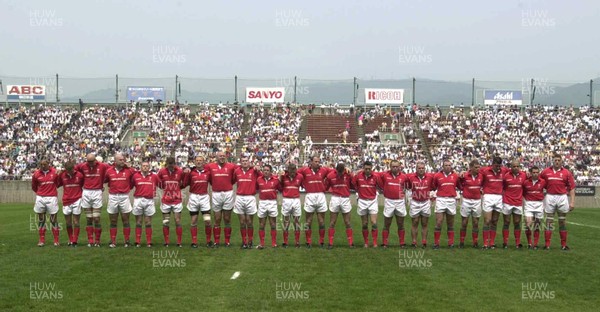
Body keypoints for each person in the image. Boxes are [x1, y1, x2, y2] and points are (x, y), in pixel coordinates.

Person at [540, 154, 576, 250]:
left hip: (562, 197)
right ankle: (547, 245)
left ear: (561, 161)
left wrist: (572, 202)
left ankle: (563, 245)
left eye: (558, 160)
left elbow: (572, 188)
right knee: (549, 221)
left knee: (562, 221)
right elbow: (539, 183)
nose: (557, 162)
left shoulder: (567, 173)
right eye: (555, 160)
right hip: (550, 197)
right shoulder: (545, 172)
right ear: (552, 161)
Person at [75, 153, 110, 247]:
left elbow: (113, 169)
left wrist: (103, 182)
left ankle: (97, 241)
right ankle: (90, 241)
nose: (90, 163)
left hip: (97, 192)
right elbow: (73, 169)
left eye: (92, 161)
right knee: (89, 218)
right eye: (88, 161)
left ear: (95, 160)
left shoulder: (103, 166)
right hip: (86, 192)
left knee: (97, 218)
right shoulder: (82, 166)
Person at [297, 156, 333, 248]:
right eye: (316, 161)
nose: (318, 163)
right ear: (311, 162)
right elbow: (294, 172)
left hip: (321, 196)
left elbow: (334, 172)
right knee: (308, 221)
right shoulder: (304, 170)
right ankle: (308, 241)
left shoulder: (324, 170)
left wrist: (345, 168)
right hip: (310, 196)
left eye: (318, 161)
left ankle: (321, 241)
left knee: (321, 221)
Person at [204, 151, 237, 247]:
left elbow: (234, 179)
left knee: (227, 218)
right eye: (220, 156)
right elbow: (209, 179)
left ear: (226, 157)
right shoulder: (210, 166)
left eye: (223, 156)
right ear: (216, 157)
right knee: (217, 218)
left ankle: (227, 241)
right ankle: (216, 241)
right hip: (216, 193)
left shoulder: (231, 166)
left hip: (228, 193)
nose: (222, 157)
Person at [104, 153, 136, 248]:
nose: (123, 161)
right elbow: (105, 180)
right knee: (113, 220)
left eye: (123, 159)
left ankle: (127, 241)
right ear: (115, 161)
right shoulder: (109, 171)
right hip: (113, 196)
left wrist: (130, 167)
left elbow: (136, 176)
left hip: (124, 197)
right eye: (121, 160)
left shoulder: (129, 170)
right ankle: (113, 241)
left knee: (125, 220)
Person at [377, 160, 409, 248]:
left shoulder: (404, 177)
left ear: (400, 167)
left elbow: (407, 187)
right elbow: (374, 174)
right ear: (390, 167)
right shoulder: (384, 175)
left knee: (400, 223)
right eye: (393, 166)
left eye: (396, 166)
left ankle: (402, 243)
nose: (395, 168)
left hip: (400, 202)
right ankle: (385, 243)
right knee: (387, 223)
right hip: (389, 201)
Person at [480, 156, 508, 249]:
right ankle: (485, 243)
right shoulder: (485, 170)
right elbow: (474, 171)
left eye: (499, 166)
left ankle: (492, 242)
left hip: (499, 197)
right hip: (488, 196)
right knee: (487, 220)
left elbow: (515, 171)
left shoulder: (504, 170)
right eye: (496, 166)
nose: (498, 168)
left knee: (495, 221)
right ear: (492, 164)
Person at [184, 155, 212, 248]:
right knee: (194, 220)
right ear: (195, 162)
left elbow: (213, 182)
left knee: (207, 221)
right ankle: (194, 242)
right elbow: (184, 183)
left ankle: (208, 241)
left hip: (204, 197)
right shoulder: (191, 173)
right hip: (194, 197)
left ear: (203, 162)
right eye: (197, 160)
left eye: (201, 160)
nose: (199, 162)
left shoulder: (208, 173)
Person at [324, 162, 354, 249]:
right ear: (336, 170)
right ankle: (330, 243)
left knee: (347, 222)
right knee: (332, 222)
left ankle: (351, 243)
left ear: (344, 170)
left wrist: (351, 173)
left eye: (341, 172)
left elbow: (353, 184)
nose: (340, 173)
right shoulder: (330, 176)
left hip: (345, 198)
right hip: (335, 198)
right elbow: (325, 187)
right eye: (339, 172)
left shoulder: (348, 174)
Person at [232, 156, 260, 249]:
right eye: (243, 161)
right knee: (242, 222)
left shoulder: (254, 171)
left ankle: (250, 241)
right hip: (239, 197)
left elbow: (261, 176)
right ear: (240, 162)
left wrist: (257, 167)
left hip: (250, 197)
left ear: (249, 162)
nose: (244, 162)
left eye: (246, 161)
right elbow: (232, 180)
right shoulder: (237, 171)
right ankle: (244, 242)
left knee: (249, 222)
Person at [157, 157, 185, 247]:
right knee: (166, 221)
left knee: (177, 221)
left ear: (174, 163)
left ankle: (179, 242)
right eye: (169, 164)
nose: (171, 166)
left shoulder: (180, 171)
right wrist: (165, 188)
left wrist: (177, 189)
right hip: (166, 200)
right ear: (166, 164)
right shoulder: (161, 172)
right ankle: (166, 242)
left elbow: (184, 182)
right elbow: (158, 182)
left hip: (177, 200)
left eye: (172, 164)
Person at [31, 159, 60, 247]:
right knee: (41, 219)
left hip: (52, 197)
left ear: (48, 164)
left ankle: (56, 240)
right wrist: (40, 193)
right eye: (41, 164)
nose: (43, 166)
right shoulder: (36, 174)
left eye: (44, 164)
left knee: (53, 219)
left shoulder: (55, 172)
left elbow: (58, 183)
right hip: (40, 198)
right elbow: (34, 187)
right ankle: (41, 240)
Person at [432, 160, 460, 249]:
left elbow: (459, 186)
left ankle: (450, 243)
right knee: (439, 222)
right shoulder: (437, 175)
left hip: (451, 200)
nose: (448, 167)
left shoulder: (455, 176)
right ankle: (436, 244)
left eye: (449, 165)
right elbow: (434, 186)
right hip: (440, 199)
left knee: (450, 223)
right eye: (446, 165)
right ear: (443, 166)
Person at [131, 161, 160, 247]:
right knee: (138, 222)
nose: (145, 167)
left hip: (149, 200)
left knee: (148, 222)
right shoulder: (135, 176)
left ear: (149, 167)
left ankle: (149, 242)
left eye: (147, 166)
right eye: (143, 166)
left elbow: (160, 184)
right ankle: (137, 241)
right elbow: (131, 185)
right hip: (138, 200)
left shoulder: (154, 176)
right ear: (140, 167)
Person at [406, 161, 434, 248]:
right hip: (415, 202)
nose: (421, 170)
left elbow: (433, 185)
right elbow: (408, 187)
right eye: (419, 168)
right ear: (416, 169)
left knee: (425, 223)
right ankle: (414, 241)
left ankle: (424, 241)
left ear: (425, 169)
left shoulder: (430, 177)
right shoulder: (410, 177)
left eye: (422, 168)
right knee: (415, 222)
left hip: (425, 202)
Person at [353, 161, 380, 248]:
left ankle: (375, 242)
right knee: (364, 223)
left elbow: (381, 185)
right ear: (363, 168)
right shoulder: (358, 176)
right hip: (362, 201)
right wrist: (357, 172)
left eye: (369, 169)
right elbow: (353, 184)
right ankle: (366, 242)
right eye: (366, 169)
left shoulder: (375, 176)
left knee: (373, 222)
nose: (368, 170)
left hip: (372, 201)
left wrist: (377, 192)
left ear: (371, 168)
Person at [57, 160, 84, 246]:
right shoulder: (62, 175)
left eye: (71, 169)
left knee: (76, 222)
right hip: (66, 200)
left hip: (77, 199)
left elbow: (84, 185)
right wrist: (57, 174)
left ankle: (75, 240)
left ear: (73, 168)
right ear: (65, 169)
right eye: (68, 170)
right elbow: (57, 184)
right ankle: (70, 239)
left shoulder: (79, 175)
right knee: (68, 223)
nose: (70, 171)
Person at [502, 159, 527, 249]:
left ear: (519, 167)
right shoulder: (506, 176)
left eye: (517, 166)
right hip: (507, 202)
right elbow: (503, 187)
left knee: (517, 222)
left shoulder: (524, 175)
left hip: (518, 202)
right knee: (506, 222)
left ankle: (517, 243)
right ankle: (505, 242)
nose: (516, 168)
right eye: (514, 166)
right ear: (511, 167)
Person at [458, 159, 483, 248]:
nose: (478, 169)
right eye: (476, 167)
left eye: (478, 167)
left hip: (477, 201)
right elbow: (459, 184)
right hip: (466, 201)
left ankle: (475, 242)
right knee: (464, 222)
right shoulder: (464, 176)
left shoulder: (481, 176)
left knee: (476, 222)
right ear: (471, 168)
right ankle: (461, 242)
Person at [256, 164, 281, 249]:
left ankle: (273, 243)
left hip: (272, 203)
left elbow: (281, 188)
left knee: (273, 224)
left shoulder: (276, 180)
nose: (266, 172)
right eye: (264, 170)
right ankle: (261, 243)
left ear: (271, 172)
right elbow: (255, 188)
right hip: (262, 203)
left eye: (267, 170)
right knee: (262, 224)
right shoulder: (259, 179)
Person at [280, 163, 304, 248]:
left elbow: (303, 185)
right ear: (288, 170)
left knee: (296, 221)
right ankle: (285, 242)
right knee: (286, 221)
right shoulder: (283, 177)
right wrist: (280, 176)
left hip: (296, 200)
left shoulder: (300, 177)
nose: (293, 171)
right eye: (291, 169)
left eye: (294, 169)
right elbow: (280, 186)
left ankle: (297, 242)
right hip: (286, 200)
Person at [523, 166, 545, 250]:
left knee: (537, 225)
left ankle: (535, 244)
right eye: (534, 172)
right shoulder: (525, 182)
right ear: (531, 173)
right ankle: (529, 242)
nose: (535, 174)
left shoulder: (543, 182)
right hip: (529, 204)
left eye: (537, 172)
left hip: (539, 204)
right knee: (528, 224)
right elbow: (524, 192)